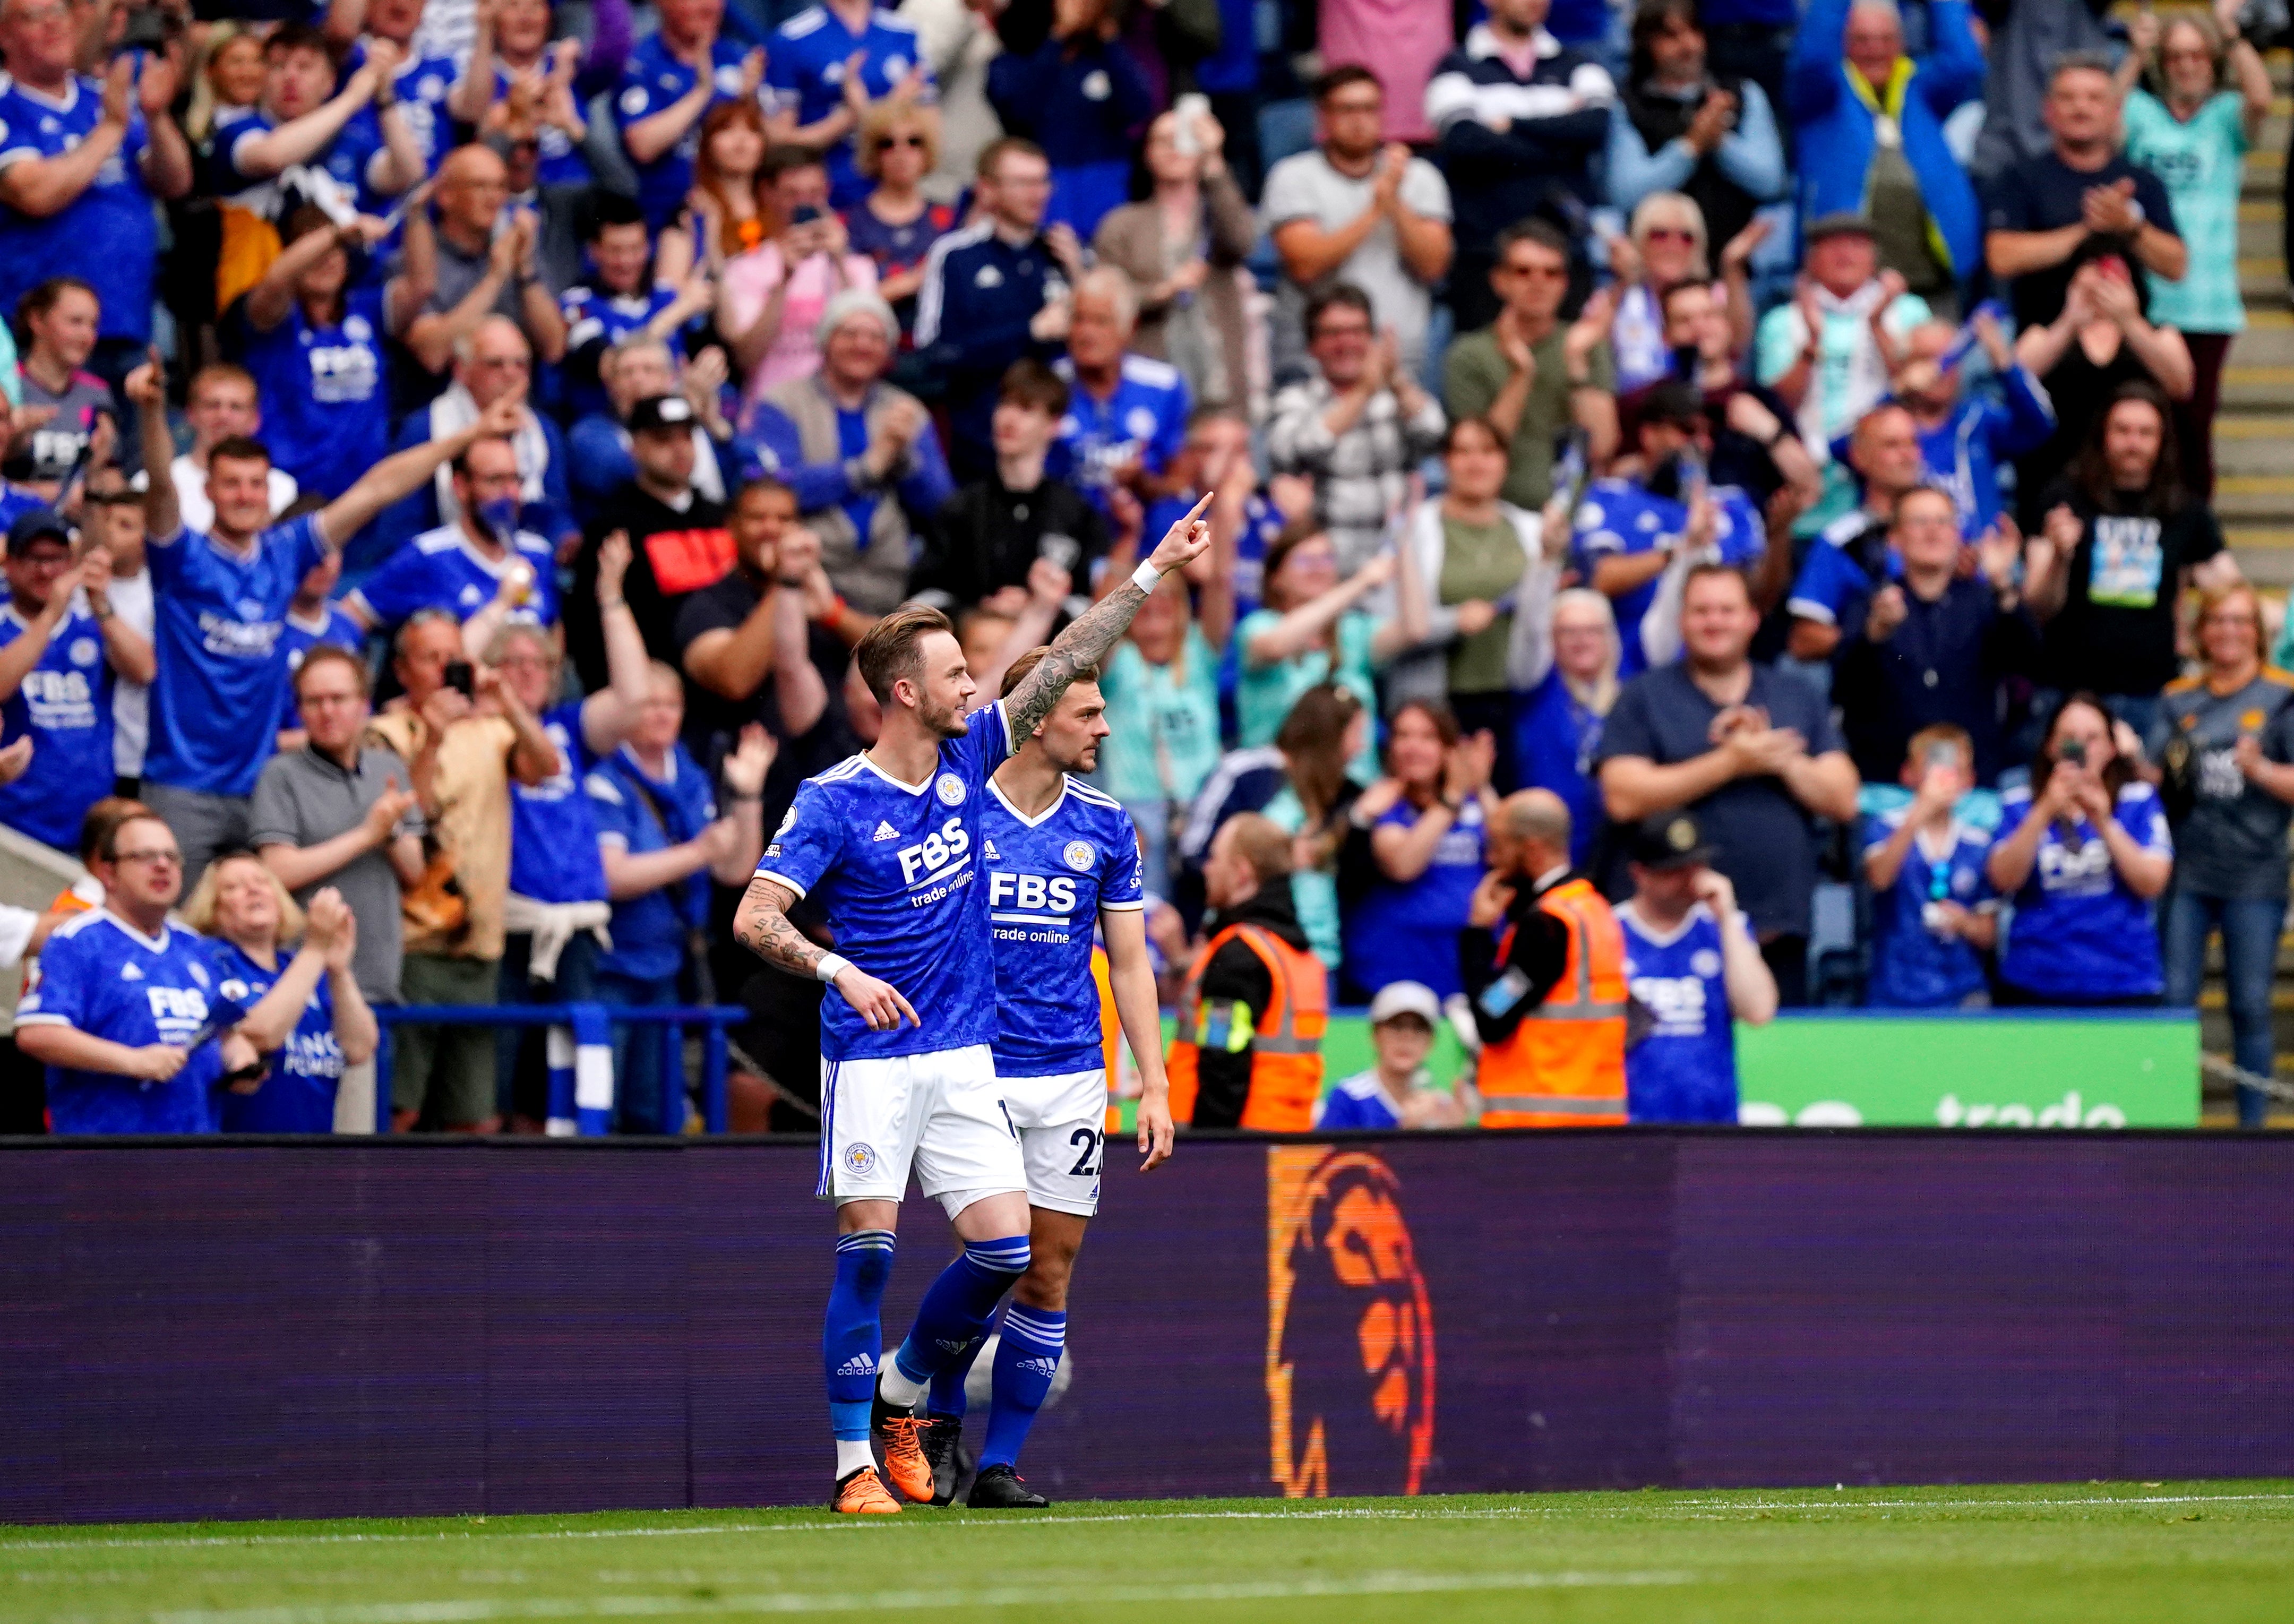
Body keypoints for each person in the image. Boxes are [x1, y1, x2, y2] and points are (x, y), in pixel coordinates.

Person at [730, 494, 1212, 1513]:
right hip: (869, 1053)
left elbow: (1066, 654)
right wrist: (837, 969)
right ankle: (852, 1466)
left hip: (961, 1054)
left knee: (1004, 1249)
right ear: (905, 692)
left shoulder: (968, 756)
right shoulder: (832, 799)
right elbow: (756, 915)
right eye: (955, 672)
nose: (973, 685)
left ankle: (904, 1388)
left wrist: (1152, 569)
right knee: (869, 1250)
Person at [912, 643, 1172, 1509]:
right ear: (1034, 717)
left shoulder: (1105, 822)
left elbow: (1130, 964)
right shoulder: (953, 803)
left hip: (1069, 1072)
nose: (1104, 726)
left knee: (1050, 1269)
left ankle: (999, 1465)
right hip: (971, 1066)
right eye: (1087, 713)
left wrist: (1155, 1081)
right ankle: (937, 1428)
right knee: (990, 1255)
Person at [130, 355, 524, 891]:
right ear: (209, 492)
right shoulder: (182, 558)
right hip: (180, 786)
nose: (245, 495)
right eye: (232, 484)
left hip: (261, 783)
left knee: (261, 935)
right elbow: (158, 489)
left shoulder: (284, 551)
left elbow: (378, 489)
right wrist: (152, 413)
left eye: (256, 484)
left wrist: (472, 433)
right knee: (171, 932)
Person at [1599, 564, 1860, 1002]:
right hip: (1665, 937)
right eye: (1701, 611)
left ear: (1751, 619)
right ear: (1681, 620)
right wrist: (1729, 762)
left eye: (1726, 610)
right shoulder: (1644, 696)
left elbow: (1843, 798)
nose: (1714, 621)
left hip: (1775, 928)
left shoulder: (1794, 695)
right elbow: (1622, 797)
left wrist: (1777, 758)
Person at [368, 611, 560, 1133]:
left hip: (479, 944)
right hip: (412, 945)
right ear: (403, 670)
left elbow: (546, 767)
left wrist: (510, 702)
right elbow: (410, 818)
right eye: (431, 657)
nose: (445, 668)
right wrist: (431, 736)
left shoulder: (491, 728)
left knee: (475, 1118)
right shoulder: (383, 732)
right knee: (397, 1108)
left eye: (453, 656)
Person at [583, 663, 769, 1131]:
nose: (662, 715)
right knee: (600, 1108)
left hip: (667, 967)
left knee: (656, 1112)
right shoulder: (603, 775)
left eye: (671, 704)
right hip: (607, 967)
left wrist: (747, 795)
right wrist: (697, 852)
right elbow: (613, 876)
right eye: (650, 704)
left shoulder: (688, 775)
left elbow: (733, 868)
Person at [251, 646, 426, 1130]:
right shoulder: (281, 774)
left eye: (338, 698)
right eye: (313, 701)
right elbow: (278, 871)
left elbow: (413, 869)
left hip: (373, 979)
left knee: (359, 1137)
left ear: (363, 703)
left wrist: (389, 830)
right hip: (300, 987)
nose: (326, 711)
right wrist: (366, 835)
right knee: (296, 1129)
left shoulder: (386, 767)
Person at [14, 809, 272, 1133]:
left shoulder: (197, 947)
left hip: (195, 1153)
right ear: (108, 873)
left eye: (171, 857)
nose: (162, 865)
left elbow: (224, 1032)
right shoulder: (78, 941)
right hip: (105, 1156)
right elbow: (37, 1034)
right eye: (145, 856)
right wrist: (133, 1062)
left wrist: (240, 1062)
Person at [2153, 585, 2294, 1128]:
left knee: (2249, 1003)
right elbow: (2151, 775)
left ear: (2257, 632)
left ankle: (2252, 1129)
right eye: (2216, 621)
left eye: (2239, 620)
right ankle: (2167, 1120)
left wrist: (2260, 771)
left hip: (2255, 871)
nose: (2228, 631)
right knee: (2174, 1002)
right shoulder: (2178, 697)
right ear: (2201, 631)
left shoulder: (2283, 695)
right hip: (2187, 867)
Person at [2116, 2, 2267, 502]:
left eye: (2197, 55)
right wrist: (2135, 57)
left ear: (2212, 60)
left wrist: (2230, 34)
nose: (2186, 65)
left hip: (2207, 302)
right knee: (2141, 421)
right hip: (2146, 298)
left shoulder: (2223, 117)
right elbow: (2106, 122)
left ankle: (2192, 534)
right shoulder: (2141, 113)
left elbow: (2261, 101)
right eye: (2176, 56)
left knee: (2193, 425)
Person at [2025, 381, 2235, 738]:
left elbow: (2231, 590)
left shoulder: (2185, 510)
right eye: (2122, 431)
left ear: (2161, 441)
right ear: (2103, 435)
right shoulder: (2062, 497)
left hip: (2152, 694)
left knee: (2148, 793)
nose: (2132, 442)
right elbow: (2036, 604)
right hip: (2068, 691)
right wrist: (2059, 558)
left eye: (2145, 433)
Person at [0, 9, 191, 397]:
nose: (52, 23)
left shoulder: (99, 97)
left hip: (127, 319)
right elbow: (34, 193)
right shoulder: (7, 105)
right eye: (32, 17)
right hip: (39, 339)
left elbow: (174, 182)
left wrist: (156, 119)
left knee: (133, 456)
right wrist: (111, 129)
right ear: (4, 36)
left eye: (59, 14)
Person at [747, 288, 951, 616]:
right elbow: (775, 491)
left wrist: (906, 459)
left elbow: (941, 506)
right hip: (810, 580)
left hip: (891, 584)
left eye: (875, 337)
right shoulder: (781, 403)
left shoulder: (907, 411)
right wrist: (867, 467)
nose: (862, 345)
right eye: (850, 333)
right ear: (825, 340)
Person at [1424, 0, 1616, 332]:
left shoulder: (1579, 63)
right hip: (1485, 258)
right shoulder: (1455, 66)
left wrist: (1512, 124)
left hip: (1566, 256)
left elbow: (1597, 127)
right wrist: (1560, 143)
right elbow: (1465, 142)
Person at [1833, 484, 2036, 787]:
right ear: (1895, 539)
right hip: (1888, 784)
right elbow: (1844, 689)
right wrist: (1874, 635)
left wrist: (2003, 585)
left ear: (1958, 535)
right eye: (1919, 522)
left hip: (1972, 785)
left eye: (1943, 522)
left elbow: (2027, 659)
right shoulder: (1869, 605)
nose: (1933, 532)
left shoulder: (1985, 600)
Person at [1788, 0, 1984, 311]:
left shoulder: (1919, 88)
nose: (1874, 50)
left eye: (1885, 40)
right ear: (1843, 43)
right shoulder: (1822, 94)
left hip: (1933, 286)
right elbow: (1813, 59)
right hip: (1844, 294)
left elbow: (1964, 63)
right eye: (1862, 40)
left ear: (1902, 44)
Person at [1262, 66, 1453, 381]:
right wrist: (1376, 209)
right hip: (1315, 360)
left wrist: (1395, 204)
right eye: (1347, 109)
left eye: (1370, 109)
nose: (1359, 121)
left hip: (1399, 355)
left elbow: (1433, 265)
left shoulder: (1419, 177)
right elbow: (1306, 265)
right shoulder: (1292, 176)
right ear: (1323, 117)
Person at [1986, 692, 2173, 1008]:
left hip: (2124, 979)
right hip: (2036, 981)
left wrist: (2102, 821)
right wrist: (2045, 810)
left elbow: (2152, 883)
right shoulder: (2020, 802)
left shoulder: (2137, 800)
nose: (2080, 749)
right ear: (2050, 746)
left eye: (2092, 738)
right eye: (2069, 738)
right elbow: (2003, 879)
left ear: (2112, 748)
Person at [912, 137, 1080, 480]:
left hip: (1059, 446)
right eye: (1023, 182)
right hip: (979, 444)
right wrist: (1029, 332)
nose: (1037, 193)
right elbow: (936, 355)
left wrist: (1081, 276)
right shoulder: (956, 255)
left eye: (1042, 181)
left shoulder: (1061, 253)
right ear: (987, 190)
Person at [1983, 54, 2187, 337]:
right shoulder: (2020, 178)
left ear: (2115, 111)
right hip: (2042, 345)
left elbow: (2176, 265)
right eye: (2068, 98)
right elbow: (2001, 258)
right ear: (2048, 111)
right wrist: (2087, 230)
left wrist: (2130, 227)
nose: (2081, 108)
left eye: (2094, 99)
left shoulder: (2142, 180)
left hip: (2128, 350)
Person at [1752, 214, 1930, 534]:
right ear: (1811, 259)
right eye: (1832, 245)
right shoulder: (1782, 321)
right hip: (1811, 472)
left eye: (1857, 245)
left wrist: (1878, 324)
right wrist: (1812, 341)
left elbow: (1923, 392)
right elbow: (1780, 403)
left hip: (1885, 469)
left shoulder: (1908, 311)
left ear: (1875, 257)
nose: (1846, 255)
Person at [1460, 788, 1628, 1127]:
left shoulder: (1547, 925)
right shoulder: (1593, 909)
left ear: (1532, 849)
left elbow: (1492, 1018)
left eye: (1499, 845)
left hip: (1537, 1128)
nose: (1492, 859)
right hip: (1597, 1122)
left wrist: (1477, 935)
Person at [1577, 380, 1768, 676]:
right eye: (1688, 431)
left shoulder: (1733, 503)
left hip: (1719, 672)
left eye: (1709, 433)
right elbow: (1598, 579)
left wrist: (1780, 532)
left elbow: (1760, 597)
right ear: (1649, 435)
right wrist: (1680, 550)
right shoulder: (1611, 496)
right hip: (1628, 673)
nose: (1702, 443)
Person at [1265, 285, 1447, 578]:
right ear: (1312, 345)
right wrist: (1363, 392)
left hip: (1396, 563)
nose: (1347, 343)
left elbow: (1435, 433)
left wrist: (1395, 379)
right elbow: (1291, 452)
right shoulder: (1295, 400)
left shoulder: (1395, 395)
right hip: (1324, 567)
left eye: (1357, 331)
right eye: (1333, 333)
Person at [1164, 809, 1328, 1131]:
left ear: (1241, 873)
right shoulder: (1294, 951)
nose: (1207, 870)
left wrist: (1210, 1150)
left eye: (1214, 858)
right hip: (1288, 1142)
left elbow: (1222, 1061)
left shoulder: (1240, 955)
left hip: (1234, 1151)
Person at [1442, 219, 1620, 513]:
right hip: (1497, 513)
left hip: (1576, 513)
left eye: (1552, 273)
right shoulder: (1468, 354)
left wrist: (1576, 363)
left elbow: (1602, 446)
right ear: (1500, 280)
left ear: (1565, 283)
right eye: (1524, 271)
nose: (1538, 282)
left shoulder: (1585, 344)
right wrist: (1521, 376)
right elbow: (1477, 459)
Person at [185, 861, 375, 1135]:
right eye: (233, 887)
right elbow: (260, 1034)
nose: (253, 890)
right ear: (214, 910)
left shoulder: (301, 965)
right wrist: (315, 949)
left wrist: (339, 971)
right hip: (239, 1150)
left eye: (262, 882)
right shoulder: (209, 960)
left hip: (311, 1151)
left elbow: (360, 1049)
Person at [1390, 418, 1544, 755]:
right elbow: (1386, 624)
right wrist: (1453, 622)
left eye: (1489, 452)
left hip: (1521, 701)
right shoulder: (1412, 530)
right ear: (1445, 462)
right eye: (1463, 452)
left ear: (1506, 462)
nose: (1477, 464)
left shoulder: (1534, 530)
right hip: (1439, 706)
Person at [370, 316, 577, 565]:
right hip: (444, 569)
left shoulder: (544, 431)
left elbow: (553, 510)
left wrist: (566, 539)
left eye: (521, 364)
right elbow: (401, 529)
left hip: (526, 567)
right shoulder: (424, 430)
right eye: (495, 364)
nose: (511, 374)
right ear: (461, 370)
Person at [912, 360, 1111, 620]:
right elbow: (922, 598)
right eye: (1005, 404)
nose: (1008, 419)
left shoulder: (1078, 516)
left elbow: (1093, 606)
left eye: (1026, 408)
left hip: (1050, 654)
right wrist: (981, 610)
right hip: (969, 652)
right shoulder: (959, 510)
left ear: (1055, 424)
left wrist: (1037, 608)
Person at [0, 509, 150, 852]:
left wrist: (100, 603)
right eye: (34, 559)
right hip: (15, 816)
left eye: (57, 559)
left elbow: (144, 670)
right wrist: (52, 614)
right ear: (8, 564)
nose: (46, 570)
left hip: (89, 820)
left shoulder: (91, 623)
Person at [1093, 105, 1255, 417]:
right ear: (1146, 154)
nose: (1174, 149)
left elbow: (1242, 242)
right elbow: (1104, 305)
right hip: (1151, 385)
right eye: (1162, 141)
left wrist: (1215, 164)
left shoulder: (1217, 213)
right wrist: (1162, 291)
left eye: (1183, 139)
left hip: (1221, 388)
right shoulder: (1121, 224)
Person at [1616, 808, 1775, 1124]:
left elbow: (1758, 1011)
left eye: (1696, 866)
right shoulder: (1608, 931)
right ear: (1639, 874)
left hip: (1712, 1121)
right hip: (1629, 1120)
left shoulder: (1725, 928)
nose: (1689, 880)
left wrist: (1727, 918)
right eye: (1674, 871)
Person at [564, 392, 733, 689]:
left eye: (686, 438)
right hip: (655, 688)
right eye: (663, 440)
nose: (680, 450)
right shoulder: (613, 526)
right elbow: (588, 627)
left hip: (727, 671)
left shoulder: (721, 517)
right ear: (635, 448)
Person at [2007, 256, 2194, 516]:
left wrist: (2129, 322)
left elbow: (2182, 384)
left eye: (2112, 285)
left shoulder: (2158, 334)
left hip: (2135, 473)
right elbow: (2015, 380)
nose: (2102, 294)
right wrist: (2070, 322)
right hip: (2056, 467)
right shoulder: (2044, 332)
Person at [674, 478, 836, 770]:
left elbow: (876, 654)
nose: (771, 529)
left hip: (826, 764)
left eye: (784, 519)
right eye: (757, 518)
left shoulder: (815, 587)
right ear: (731, 527)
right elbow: (733, 679)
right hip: (747, 773)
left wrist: (834, 615)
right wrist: (786, 581)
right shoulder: (706, 604)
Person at [1608, 0, 1785, 261]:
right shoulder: (1628, 105)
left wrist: (1721, 142)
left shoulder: (1743, 94)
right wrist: (1690, 147)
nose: (1688, 45)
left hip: (1734, 267)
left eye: (1694, 31)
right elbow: (1626, 193)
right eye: (1671, 36)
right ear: (1647, 42)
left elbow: (1770, 181)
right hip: (1656, 273)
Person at [1342, 701, 1495, 1002]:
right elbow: (1403, 864)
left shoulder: (1476, 804)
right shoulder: (1383, 803)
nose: (1414, 747)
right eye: (1403, 736)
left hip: (1463, 972)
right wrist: (1451, 799)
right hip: (1391, 974)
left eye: (1428, 738)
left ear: (1450, 749)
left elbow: (1509, 850)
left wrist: (1482, 786)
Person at [1233, 527, 1419, 768]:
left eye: (1326, 558)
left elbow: (1414, 629)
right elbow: (1276, 647)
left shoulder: (1353, 630)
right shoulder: (1259, 626)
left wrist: (1402, 542)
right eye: (1304, 560)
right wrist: (1360, 582)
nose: (1318, 567)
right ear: (1276, 578)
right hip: (1281, 788)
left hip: (1353, 789)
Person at [343, 434, 562, 638]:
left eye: (515, 480)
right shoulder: (427, 556)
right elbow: (349, 616)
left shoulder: (538, 553)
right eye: (495, 481)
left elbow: (555, 632)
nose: (511, 493)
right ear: (461, 487)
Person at [1093, 570, 1224, 900]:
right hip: (1137, 808)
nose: (1155, 602)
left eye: (1167, 595)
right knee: (1145, 907)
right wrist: (1126, 543)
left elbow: (1220, 581)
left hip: (1201, 805)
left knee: (1203, 908)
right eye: (1145, 598)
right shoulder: (1119, 661)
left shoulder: (1198, 649)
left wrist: (1224, 522)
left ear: (1182, 606)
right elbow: (1095, 630)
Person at [718, 145, 879, 408]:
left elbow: (867, 340)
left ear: (827, 191)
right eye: (792, 194)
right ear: (767, 194)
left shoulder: (857, 266)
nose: (805, 204)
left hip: (841, 407)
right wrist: (784, 279)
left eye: (814, 193)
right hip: (772, 406)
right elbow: (747, 357)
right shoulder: (743, 269)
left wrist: (839, 261)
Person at [390, 144, 568, 379]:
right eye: (480, 186)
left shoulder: (515, 251)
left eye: (500, 187)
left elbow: (554, 347)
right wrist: (495, 279)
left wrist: (525, 270)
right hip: (440, 404)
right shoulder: (416, 264)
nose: (494, 198)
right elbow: (433, 355)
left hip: (516, 400)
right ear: (446, 195)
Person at [985, 0, 1152, 240]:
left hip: (1105, 184)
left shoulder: (1106, 58)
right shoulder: (1014, 62)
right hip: (1044, 186)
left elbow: (1139, 107)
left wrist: (1109, 39)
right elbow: (1020, 111)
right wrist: (1058, 36)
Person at [1781, 400, 1928, 668]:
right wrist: (1868, 633)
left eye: (1914, 443)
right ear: (1859, 457)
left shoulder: (1948, 530)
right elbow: (1803, 639)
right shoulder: (1840, 540)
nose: (1908, 455)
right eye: (1892, 445)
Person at [1861, 723, 1996, 1010]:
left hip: (1962, 992)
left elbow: (1989, 933)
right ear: (1908, 775)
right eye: (1934, 770)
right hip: (1893, 990)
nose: (1944, 779)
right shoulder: (1885, 828)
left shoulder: (1979, 842)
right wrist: (1919, 812)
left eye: (1954, 771)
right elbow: (1879, 878)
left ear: (1969, 780)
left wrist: (1964, 924)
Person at [1892, 311, 2056, 542]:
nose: (1940, 369)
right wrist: (1898, 389)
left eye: (1950, 358)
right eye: (1927, 359)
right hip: (1914, 562)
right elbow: (1843, 448)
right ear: (1904, 366)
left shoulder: (1977, 417)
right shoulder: (1889, 427)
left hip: (1986, 564)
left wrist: (2005, 364)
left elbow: (2040, 426)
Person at [763, 0, 934, 210]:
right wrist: (852, 116)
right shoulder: (791, 38)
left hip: (893, 196)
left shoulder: (905, 33)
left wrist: (870, 110)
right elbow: (780, 141)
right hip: (823, 193)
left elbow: (930, 127)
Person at [612, 0, 767, 229]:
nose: (708, 7)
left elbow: (770, 146)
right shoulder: (641, 63)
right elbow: (643, 146)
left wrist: (748, 102)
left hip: (738, 219)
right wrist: (702, 92)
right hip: (665, 222)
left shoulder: (738, 57)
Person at [1050, 268, 1189, 518]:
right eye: (1079, 320)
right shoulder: (1047, 385)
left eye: (1100, 321)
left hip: (1148, 531)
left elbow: (1180, 484)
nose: (1086, 333)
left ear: (1130, 328)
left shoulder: (1164, 386)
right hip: (1065, 530)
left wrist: (1143, 481)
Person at [1510, 583, 1620, 867]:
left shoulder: (1630, 688)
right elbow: (1530, 634)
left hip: (1616, 842)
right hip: (1548, 845)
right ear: (1552, 640)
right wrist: (1546, 566)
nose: (1581, 640)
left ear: (1609, 637)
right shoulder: (1537, 686)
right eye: (1568, 632)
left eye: (1593, 631)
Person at [845, 101, 957, 336]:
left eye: (914, 142)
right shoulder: (848, 223)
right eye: (887, 144)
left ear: (928, 152)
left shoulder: (950, 219)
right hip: (867, 342)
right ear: (873, 154)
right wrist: (914, 280)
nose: (901, 153)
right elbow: (844, 303)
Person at [1315, 980, 1471, 1130]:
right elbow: (1330, 1156)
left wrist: (1456, 1138)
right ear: (1375, 1035)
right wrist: (1404, 1130)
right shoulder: (1349, 1098)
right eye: (1396, 1026)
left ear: (1431, 1042)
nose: (1407, 1038)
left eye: (1418, 1029)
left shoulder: (1441, 1106)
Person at [9, 278, 117, 492]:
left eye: (93, 325)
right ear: (37, 321)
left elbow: (112, 476)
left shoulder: (98, 393)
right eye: (75, 322)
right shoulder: (8, 386)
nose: (87, 335)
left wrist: (101, 471)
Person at [170, 365, 299, 535]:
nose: (223, 416)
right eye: (212, 405)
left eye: (236, 407)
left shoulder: (282, 487)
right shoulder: (153, 482)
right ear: (191, 413)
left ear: (255, 419)